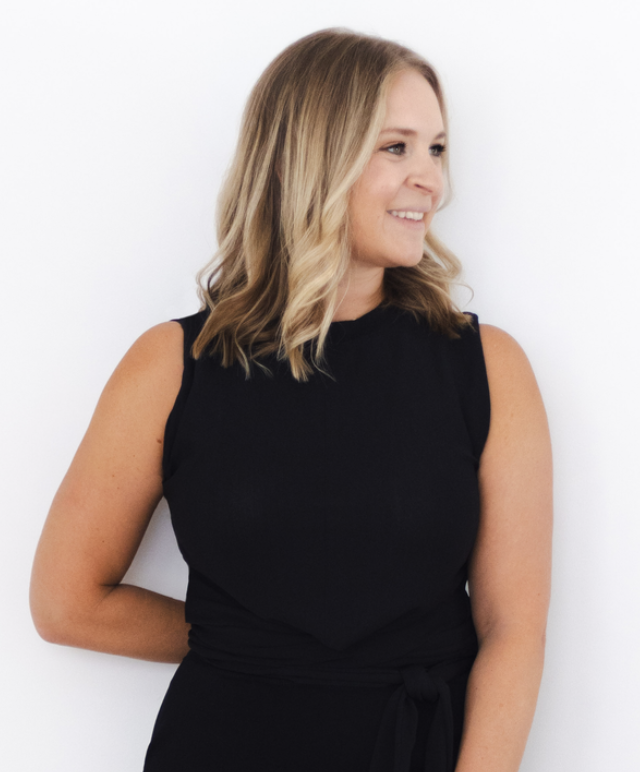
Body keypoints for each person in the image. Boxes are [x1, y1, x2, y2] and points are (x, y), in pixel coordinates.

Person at [29, 28, 552, 772]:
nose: (432, 181)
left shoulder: (486, 366)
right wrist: (247, 644)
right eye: (396, 147)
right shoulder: (173, 366)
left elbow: (513, 630)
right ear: (312, 158)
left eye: (437, 149)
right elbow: (67, 603)